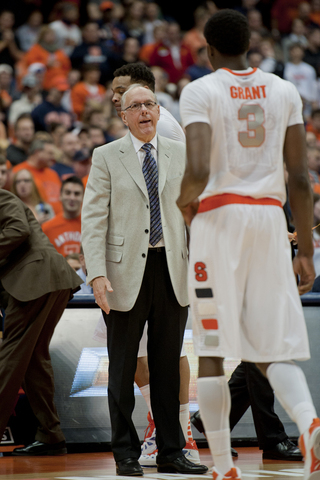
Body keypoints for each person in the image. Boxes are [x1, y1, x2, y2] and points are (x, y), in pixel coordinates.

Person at [177, 9, 319, 480]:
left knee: (214, 348)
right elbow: (299, 177)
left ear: (209, 48)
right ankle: (308, 421)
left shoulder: (200, 89)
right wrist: (305, 251)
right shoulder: (284, 89)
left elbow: (197, 170)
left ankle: (221, 466)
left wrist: (182, 202)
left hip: (219, 217)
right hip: (269, 219)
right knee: (270, 347)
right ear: (250, 41)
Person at [81, 84, 208, 477]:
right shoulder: (105, 156)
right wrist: (97, 273)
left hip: (172, 269)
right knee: (121, 367)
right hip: (122, 274)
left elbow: (198, 210)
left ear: (158, 110)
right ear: (123, 115)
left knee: (167, 365)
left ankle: (172, 450)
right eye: (135, 106)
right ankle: (125, 453)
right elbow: (93, 218)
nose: (144, 111)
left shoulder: (179, 152)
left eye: (149, 104)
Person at [111, 63, 201, 466]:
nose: (115, 96)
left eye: (121, 90)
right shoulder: (115, 148)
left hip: (164, 260)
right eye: (117, 95)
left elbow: (188, 203)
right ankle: (161, 435)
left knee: (166, 355)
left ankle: (174, 437)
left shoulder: (163, 132)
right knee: (142, 356)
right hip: (131, 263)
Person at [0, 188, 82, 456]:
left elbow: (18, 230)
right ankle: (50, 433)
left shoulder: (3, 197)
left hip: (35, 278)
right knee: (34, 359)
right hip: (45, 280)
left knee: (11, 358)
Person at [12, 137, 62, 215]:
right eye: (50, 153)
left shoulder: (53, 173)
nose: (53, 157)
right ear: (37, 152)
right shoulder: (18, 172)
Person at [42, 175, 83, 257]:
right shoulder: (47, 228)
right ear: (60, 196)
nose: (72, 197)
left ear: (83, 197)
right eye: (68, 193)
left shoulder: (91, 225)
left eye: (77, 194)